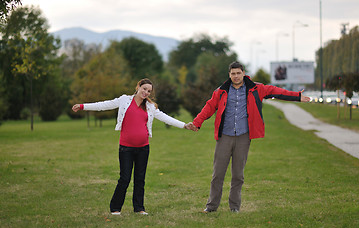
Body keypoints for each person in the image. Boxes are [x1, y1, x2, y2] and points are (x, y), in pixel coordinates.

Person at [188, 61, 310, 213]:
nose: (236, 76)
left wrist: (297, 96)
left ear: (243, 73)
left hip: (243, 137)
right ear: (229, 75)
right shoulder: (221, 91)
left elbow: (276, 91)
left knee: (238, 175)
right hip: (224, 136)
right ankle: (211, 207)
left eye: (239, 73)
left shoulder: (256, 88)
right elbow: (209, 107)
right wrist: (196, 123)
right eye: (233, 73)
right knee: (218, 174)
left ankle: (234, 207)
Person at [72, 78, 193, 216]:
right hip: (126, 148)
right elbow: (104, 105)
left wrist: (184, 125)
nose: (146, 92)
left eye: (149, 91)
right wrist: (82, 106)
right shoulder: (124, 100)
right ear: (138, 87)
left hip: (143, 148)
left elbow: (166, 118)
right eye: (144, 89)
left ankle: (139, 208)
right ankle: (115, 208)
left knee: (140, 179)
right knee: (124, 178)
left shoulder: (150, 107)